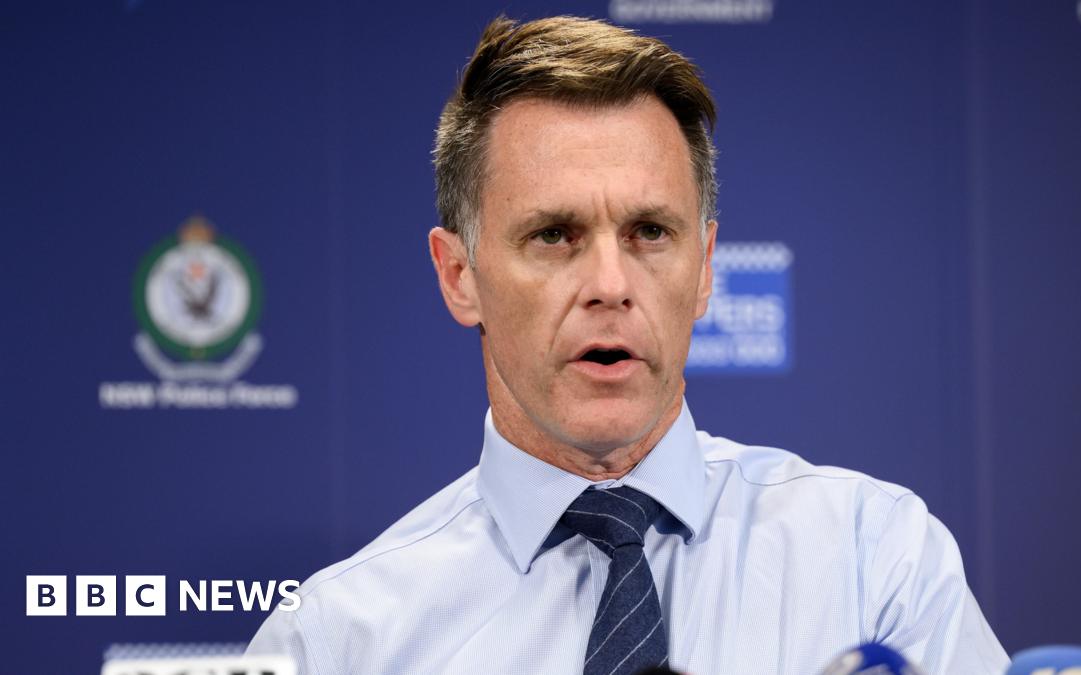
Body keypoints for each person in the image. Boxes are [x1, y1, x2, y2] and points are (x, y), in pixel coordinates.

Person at [247, 15, 1009, 674]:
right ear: (459, 275)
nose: (610, 283)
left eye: (649, 232)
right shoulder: (338, 640)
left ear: (704, 268)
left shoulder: (877, 563)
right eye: (554, 234)